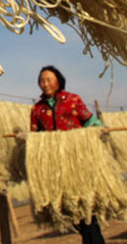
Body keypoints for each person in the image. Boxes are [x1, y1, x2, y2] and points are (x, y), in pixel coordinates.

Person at [26, 65, 106, 244]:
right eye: (41, 80)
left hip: (78, 162)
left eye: (48, 79)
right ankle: (89, 237)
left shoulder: (72, 100)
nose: (44, 84)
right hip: (56, 165)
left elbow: (88, 119)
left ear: (58, 81)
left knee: (87, 206)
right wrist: (27, 139)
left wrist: (99, 128)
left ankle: (94, 239)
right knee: (71, 207)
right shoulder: (37, 109)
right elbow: (36, 136)